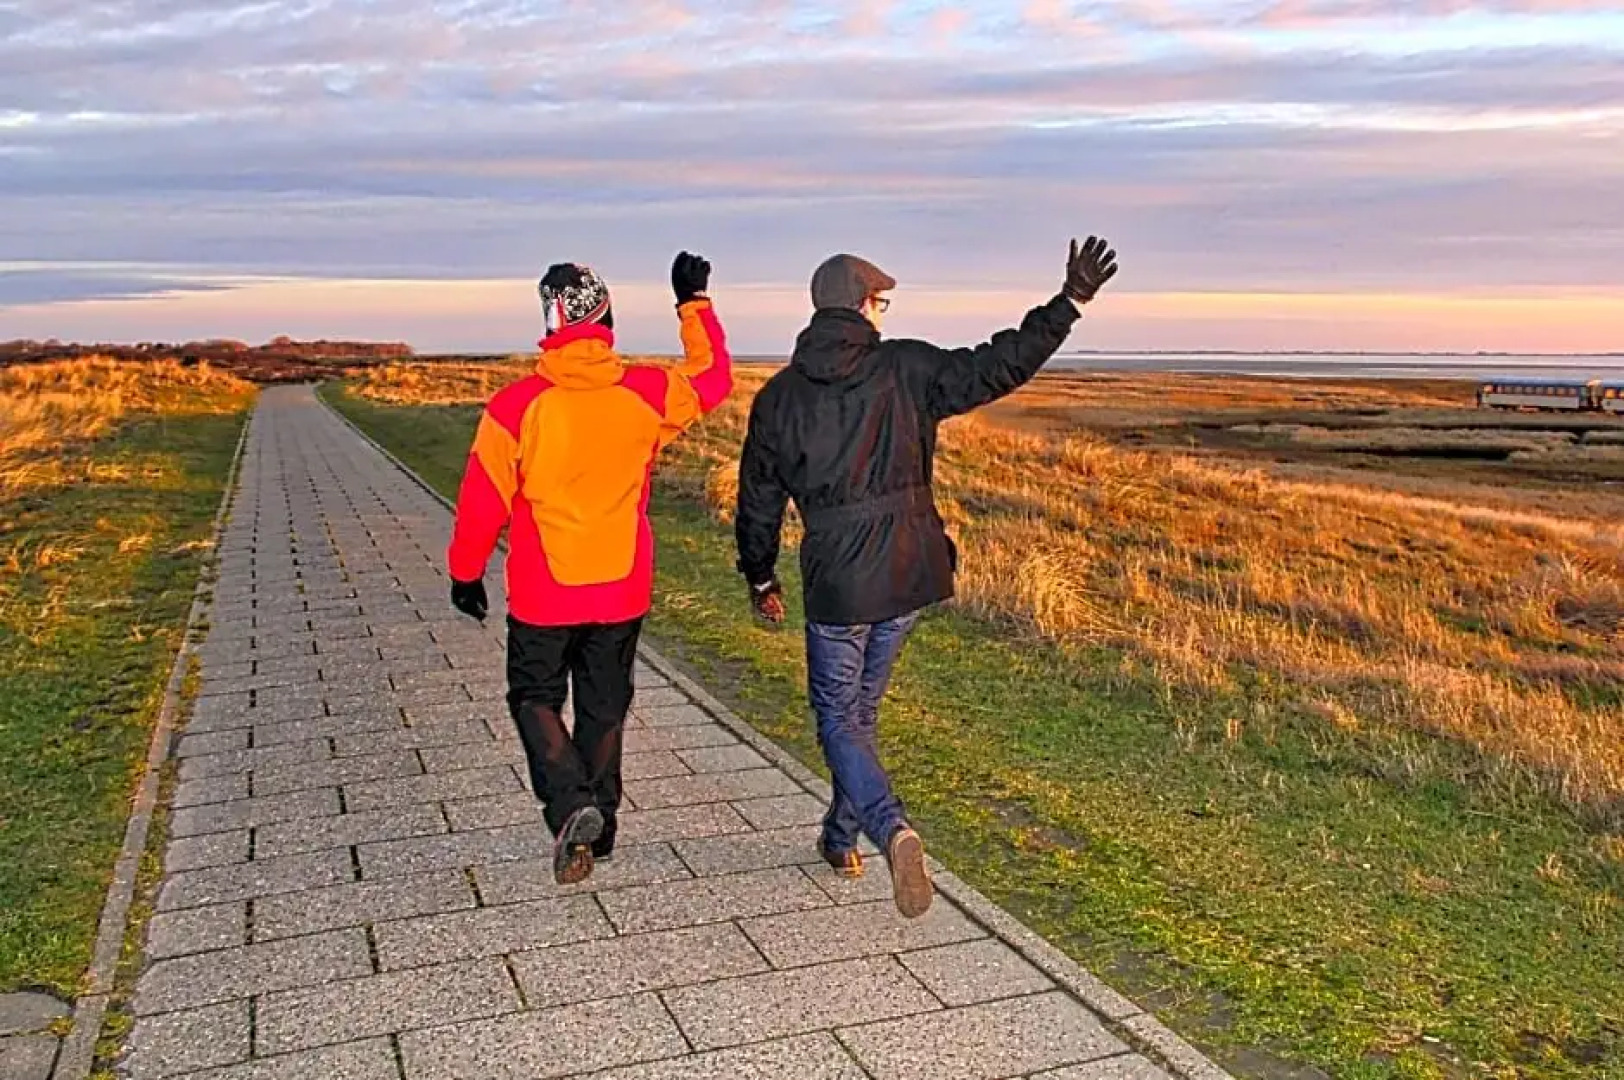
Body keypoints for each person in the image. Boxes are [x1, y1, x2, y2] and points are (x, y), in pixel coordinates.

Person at [734, 237, 1119, 917]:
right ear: (862, 305)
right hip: (909, 572)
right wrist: (1069, 302)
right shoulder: (906, 367)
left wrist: (760, 577)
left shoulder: (778, 399)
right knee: (858, 715)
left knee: (839, 718)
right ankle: (840, 837)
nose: (883, 314)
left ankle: (889, 828)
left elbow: (758, 502)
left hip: (839, 584)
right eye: (880, 303)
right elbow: (998, 365)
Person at [448, 253, 733, 884]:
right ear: (607, 320)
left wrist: (465, 573)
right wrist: (693, 303)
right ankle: (597, 829)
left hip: (544, 593)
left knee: (535, 698)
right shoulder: (647, 394)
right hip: (620, 587)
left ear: (549, 325)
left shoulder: (515, 407)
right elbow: (713, 379)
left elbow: (481, 502)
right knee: (604, 707)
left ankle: (571, 805)